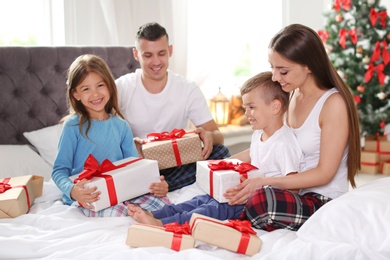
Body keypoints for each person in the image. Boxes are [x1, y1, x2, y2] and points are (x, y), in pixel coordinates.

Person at [225, 23, 361, 231]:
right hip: (292, 194)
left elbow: (325, 173)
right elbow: (269, 144)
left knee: (262, 198)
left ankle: (232, 222)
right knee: (236, 187)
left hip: (322, 201)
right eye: (272, 67)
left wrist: (263, 181)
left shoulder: (333, 104)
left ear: (308, 66)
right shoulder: (292, 94)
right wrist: (221, 164)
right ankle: (226, 217)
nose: (275, 77)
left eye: (283, 71)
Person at [127, 71, 306, 226]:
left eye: (251, 107)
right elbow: (252, 154)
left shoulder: (284, 143)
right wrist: (222, 164)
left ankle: (162, 224)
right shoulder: (260, 133)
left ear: (275, 106)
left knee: (213, 208)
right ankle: (158, 214)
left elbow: (294, 186)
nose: (246, 114)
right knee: (201, 199)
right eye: (245, 108)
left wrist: (259, 187)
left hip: (254, 201)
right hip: (243, 191)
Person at [116, 22, 230, 193]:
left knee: (221, 152)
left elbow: (218, 136)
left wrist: (208, 136)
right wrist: (129, 146)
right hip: (138, 164)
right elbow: (104, 134)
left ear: (170, 50)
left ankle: (163, 185)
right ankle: (157, 185)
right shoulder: (121, 87)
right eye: (148, 55)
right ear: (136, 54)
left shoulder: (187, 88)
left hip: (175, 164)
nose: (156, 62)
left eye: (161, 53)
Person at [52, 54, 168, 217]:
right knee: (119, 214)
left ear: (110, 86)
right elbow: (59, 171)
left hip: (120, 192)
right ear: (75, 94)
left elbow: (135, 166)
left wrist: (157, 184)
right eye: (86, 89)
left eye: (100, 85)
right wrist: (73, 191)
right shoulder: (72, 126)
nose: (95, 94)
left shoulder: (121, 125)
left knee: (163, 205)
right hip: (89, 195)